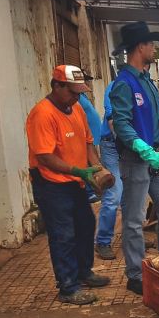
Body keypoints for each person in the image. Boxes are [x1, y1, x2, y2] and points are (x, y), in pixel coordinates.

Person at [26, 65, 111, 305]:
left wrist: (96, 170)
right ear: (57, 85)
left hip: (75, 182)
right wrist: (78, 171)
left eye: (79, 93)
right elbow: (45, 156)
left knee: (86, 225)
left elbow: (87, 143)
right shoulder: (42, 114)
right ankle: (68, 287)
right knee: (63, 235)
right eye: (73, 92)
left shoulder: (76, 110)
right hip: (51, 184)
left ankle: (83, 272)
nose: (77, 97)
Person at [110, 22, 159, 295]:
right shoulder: (123, 84)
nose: (154, 49)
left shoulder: (147, 80)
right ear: (140, 47)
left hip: (157, 159)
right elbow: (122, 124)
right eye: (152, 45)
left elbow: (156, 119)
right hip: (137, 159)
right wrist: (143, 148)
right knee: (134, 220)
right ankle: (135, 275)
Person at [94, 79, 121, 260]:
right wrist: (124, 141)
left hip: (132, 147)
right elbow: (112, 118)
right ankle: (103, 242)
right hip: (113, 145)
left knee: (134, 194)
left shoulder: (143, 85)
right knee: (114, 195)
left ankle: (133, 237)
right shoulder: (114, 87)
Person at [78, 90, 103, 202]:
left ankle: (93, 189)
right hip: (85, 136)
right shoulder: (75, 97)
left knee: (92, 161)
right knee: (86, 163)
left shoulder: (82, 95)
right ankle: (89, 191)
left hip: (92, 135)